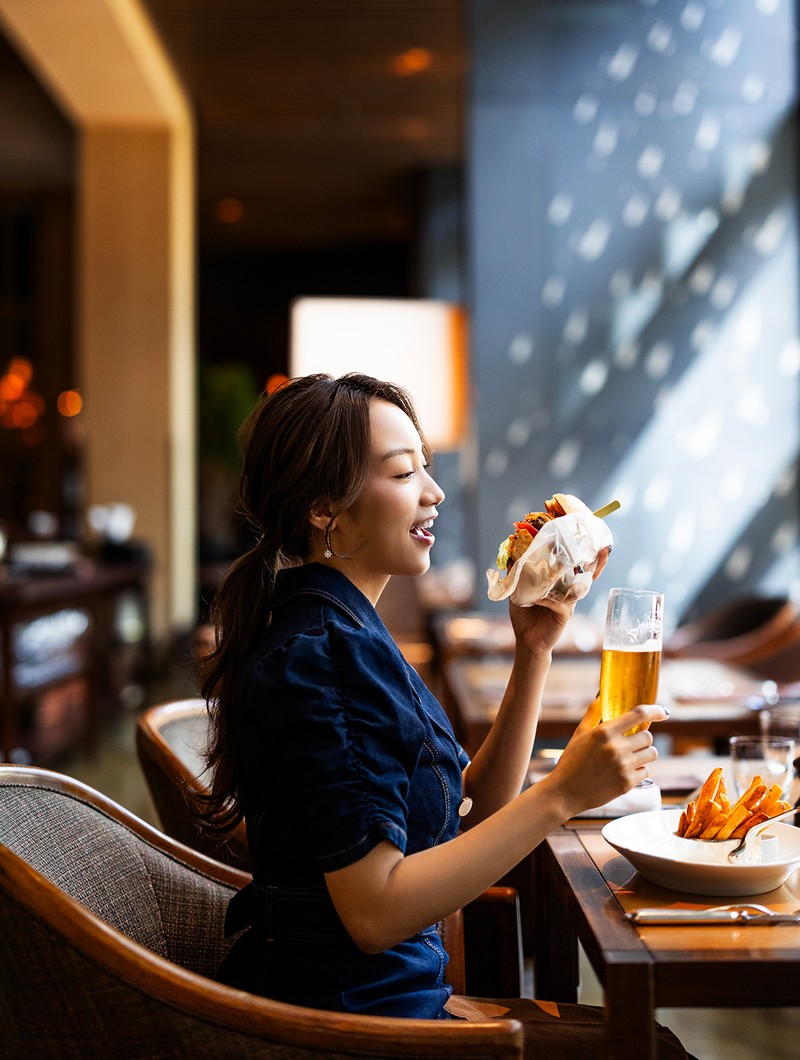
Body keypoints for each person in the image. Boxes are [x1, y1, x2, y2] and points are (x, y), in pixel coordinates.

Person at [199, 372, 691, 1058]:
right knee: (652, 1049)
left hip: (391, 1007)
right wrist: (562, 795)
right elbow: (374, 913)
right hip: (353, 1029)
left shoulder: (344, 631)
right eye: (403, 473)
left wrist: (534, 651)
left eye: (425, 466)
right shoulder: (324, 655)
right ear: (323, 508)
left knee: (650, 1041)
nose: (433, 491)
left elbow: (470, 814)